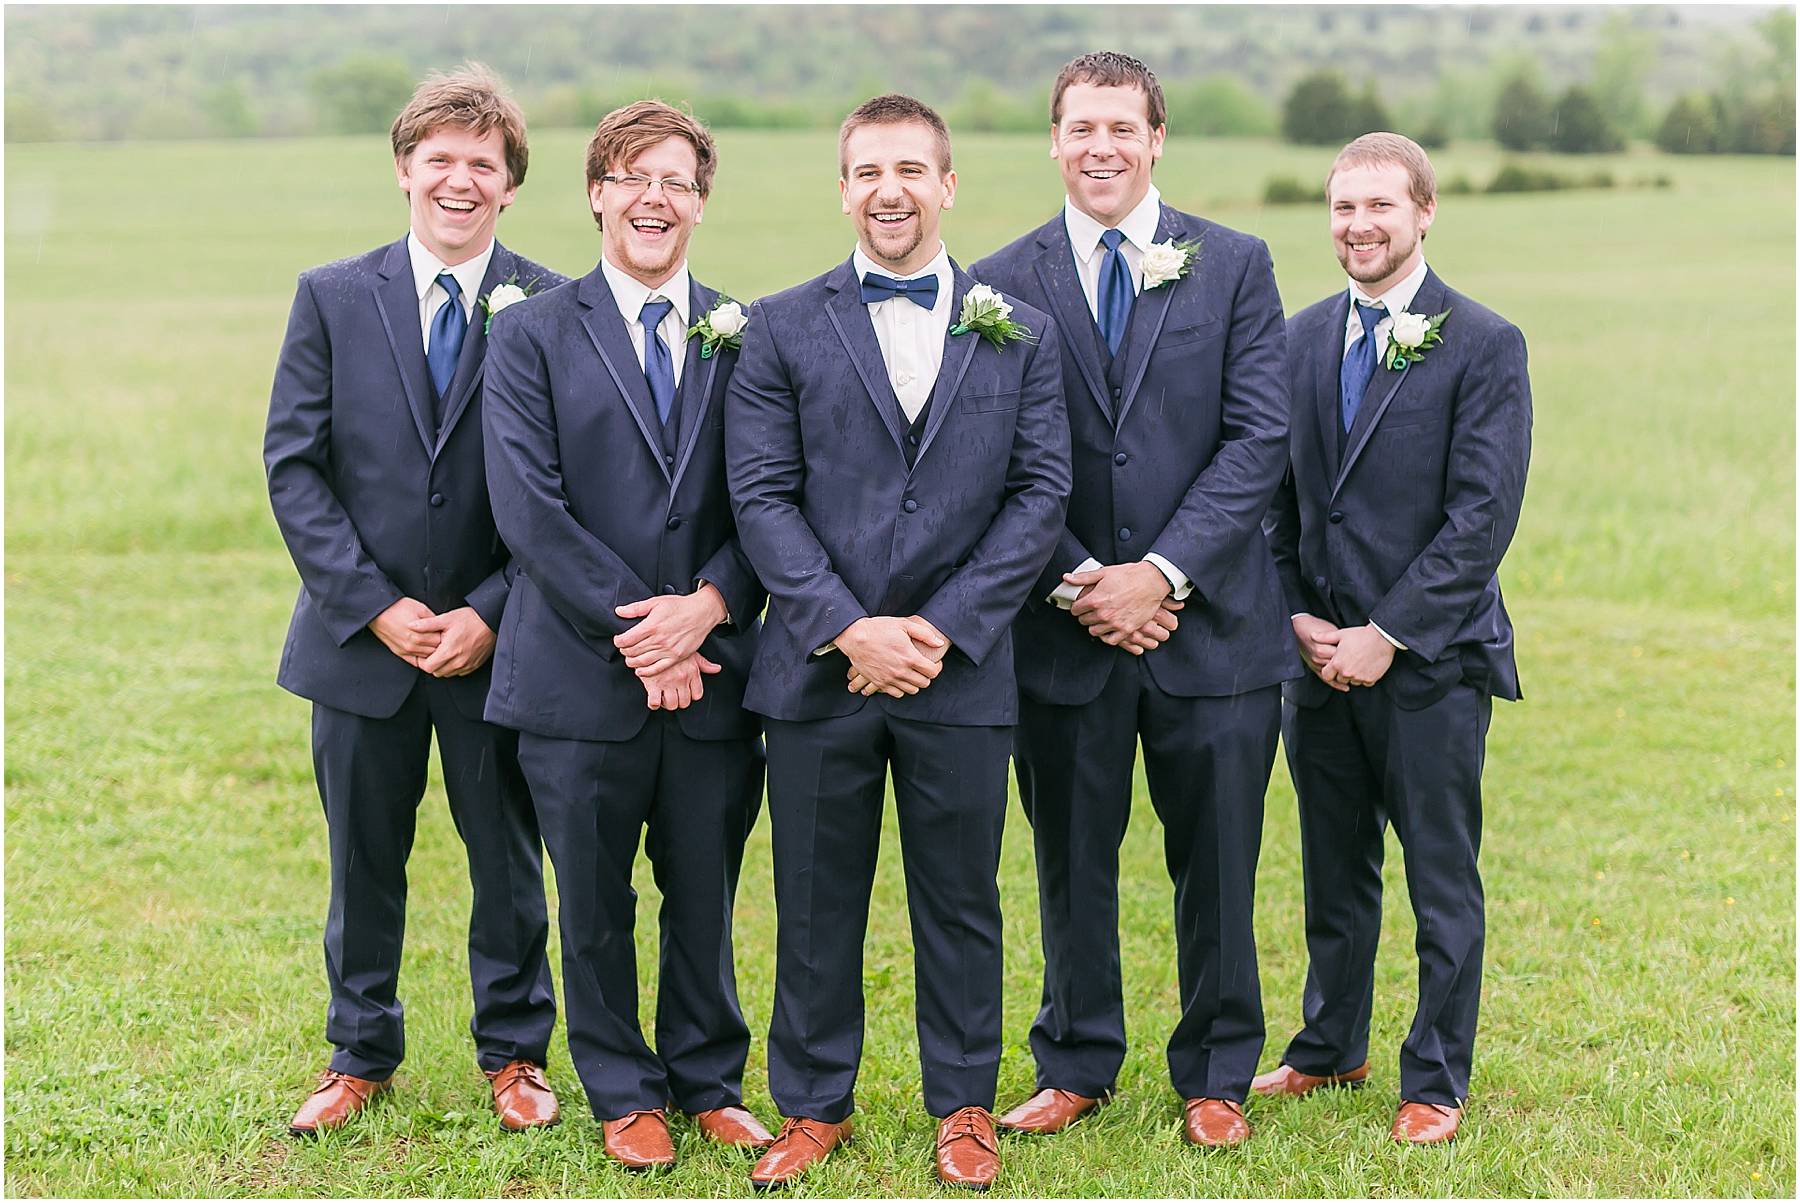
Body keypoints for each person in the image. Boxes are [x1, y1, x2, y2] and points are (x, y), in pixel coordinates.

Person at [724, 94, 1071, 1190]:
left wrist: (940, 627)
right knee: (813, 899)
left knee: (962, 900)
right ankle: (811, 1106)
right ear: (842, 190)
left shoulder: (1021, 330)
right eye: (870, 171)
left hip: (957, 671)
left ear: (948, 185)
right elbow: (761, 497)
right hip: (819, 671)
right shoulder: (780, 325)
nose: (891, 190)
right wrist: (847, 628)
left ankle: (963, 1104)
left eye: (912, 169)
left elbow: (1040, 495)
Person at [971, 52, 1293, 1148]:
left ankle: (1216, 1073)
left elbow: (1258, 438)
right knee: (1070, 860)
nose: (1100, 147)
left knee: (1221, 863)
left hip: (1214, 629)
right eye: (1081, 128)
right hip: (1063, 634)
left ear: (1157, 140)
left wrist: (1160, 573)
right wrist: (1080, 582)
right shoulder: (997, 281)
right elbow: (992, 461)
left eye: (1121, 127)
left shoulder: (1235, 265)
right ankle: (1075, 1062)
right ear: (1054, 141)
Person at [264, 63, 562, 1137]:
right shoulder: (332, 297)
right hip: (360, 645)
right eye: (440, 159)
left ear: (510, 183)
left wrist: (492, 608)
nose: (459, 180)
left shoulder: (553, 306)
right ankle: (359, 1053)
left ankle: (516, 1053)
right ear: (403, 169)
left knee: (507, 857)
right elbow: (295, 467)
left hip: (500, 645)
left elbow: (567, 490)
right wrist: (376, 606)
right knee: (363, 860)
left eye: (483, 163)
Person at [482, 100, 771, 1171]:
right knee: (593, 902)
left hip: (715, 672)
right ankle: (622, 1089)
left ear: (701, 203)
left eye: (678, 182)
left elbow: (772, 499)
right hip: (576, 678)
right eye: (633, 178)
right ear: (598, 194)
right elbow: (530, 512)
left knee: (703, 891)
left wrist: (710, 606)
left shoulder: (746, 332)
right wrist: (650, 637)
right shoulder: (529, 334)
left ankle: (707, 1081)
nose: (656, 199)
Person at [1258, 131, 1532, 1145]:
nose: (1359, 225)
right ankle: (1330, 1046)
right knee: (1333, 870)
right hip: (1315, 664)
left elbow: (1481, 519)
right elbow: (1275, 505)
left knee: (1440, 877)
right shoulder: (1296, 339)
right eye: (1343, 207)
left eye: (1380, 205)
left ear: (1424, 212)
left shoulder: (1484, 342)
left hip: (1432, 663)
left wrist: (1388, 633)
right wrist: (1296, 615)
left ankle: (1437, 1079)